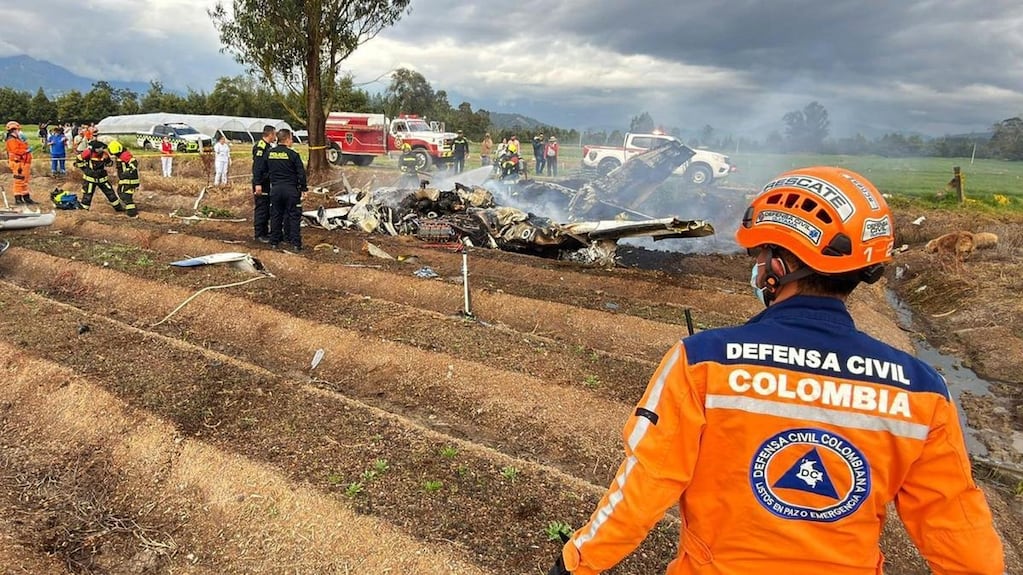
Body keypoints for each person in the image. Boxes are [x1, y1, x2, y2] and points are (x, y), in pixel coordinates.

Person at [548, 166, 1005, 575]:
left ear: (779, 266)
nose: (756, 267)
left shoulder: (703, 361)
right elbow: (961, 537)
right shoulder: (921, 389)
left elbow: (644, 487)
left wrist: (576, 564)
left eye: (759, 255)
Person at [256, 128, 306, 252]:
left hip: (276, 189)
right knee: (294, 216)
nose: (292, 141)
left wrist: (258, 183)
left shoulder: (269, 153)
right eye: (291, 139)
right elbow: (301, 173)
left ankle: (274, 242)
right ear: (287, 139)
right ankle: (295, 244)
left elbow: (261, 170)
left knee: (276, 215)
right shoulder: (293, 154)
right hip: (291, 190)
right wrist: (304, 188)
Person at [73, 140, 124, 212]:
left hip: (102, 178)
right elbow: (78, 161)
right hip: (90, 179)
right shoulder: (88, 153)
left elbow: (109, 164)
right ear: (94, 148)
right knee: (87, 195)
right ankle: (84, 210)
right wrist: (86, 170)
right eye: (99, 148)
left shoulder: (105, 154)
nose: (101, 150)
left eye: (102, 148)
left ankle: (118, 208)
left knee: (110, 193)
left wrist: (107, 161)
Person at [251, 124, 277, 243]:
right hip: (261, 183)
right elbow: (257, 167)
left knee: (266, 207)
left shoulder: (268, 147)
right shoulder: (261, 148)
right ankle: (259, 234)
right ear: (270, 134)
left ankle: (265, 232)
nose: (275, 137)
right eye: (274, 134)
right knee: (261, 208)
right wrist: (258, 183)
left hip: (266, 182)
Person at [5, 121, 37, 204]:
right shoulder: (11, 140)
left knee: (24, 181)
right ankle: (18, 198)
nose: (19, 131)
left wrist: (26, 145)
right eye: (18, 130)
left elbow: (21, 147)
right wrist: (26, 151)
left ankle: (26, 197)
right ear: (13, 130)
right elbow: (15, 150)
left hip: (23, 162)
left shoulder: (17, 139)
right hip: (18, 163)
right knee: (19, 181)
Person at [107, 140, 139, 217]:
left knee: (126, 195)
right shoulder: (121, 155)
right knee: (120, 192)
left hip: (129, 180)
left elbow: (134, 162)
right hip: (125, 180)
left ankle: (132, 213)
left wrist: (127, 172)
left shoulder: (124, 155)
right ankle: (129, 207)